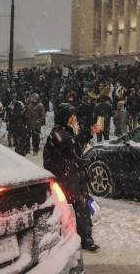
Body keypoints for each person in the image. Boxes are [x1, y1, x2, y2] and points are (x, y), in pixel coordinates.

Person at [43, 103, 100, 252]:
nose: (74, 119)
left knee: (83, 208)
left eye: (74, 116)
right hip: (65, 179)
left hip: (74, 177)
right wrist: (83, 133)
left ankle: (86, 239)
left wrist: (88, 134)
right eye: (71, 116)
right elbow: (69, 144)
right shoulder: (57, 133)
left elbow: (75, 148)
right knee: (64, 210)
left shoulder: (67, 132)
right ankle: (61, 241)